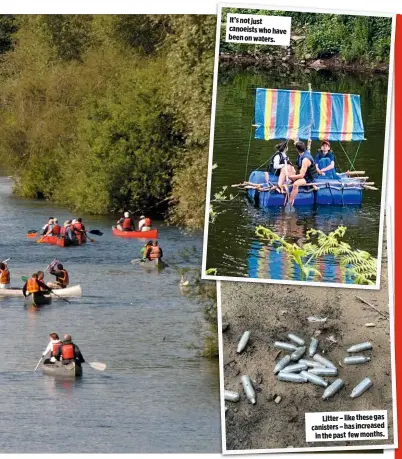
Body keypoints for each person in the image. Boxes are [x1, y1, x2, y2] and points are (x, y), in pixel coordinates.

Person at [286, 140, 319, 206]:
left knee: (295, 184)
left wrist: (290, 177)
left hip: (309, 178)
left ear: (297, 149)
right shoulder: (302, 154)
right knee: (290, 169)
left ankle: (289, 202)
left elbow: (301, 175)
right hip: (304, 174)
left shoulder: (305, 160)